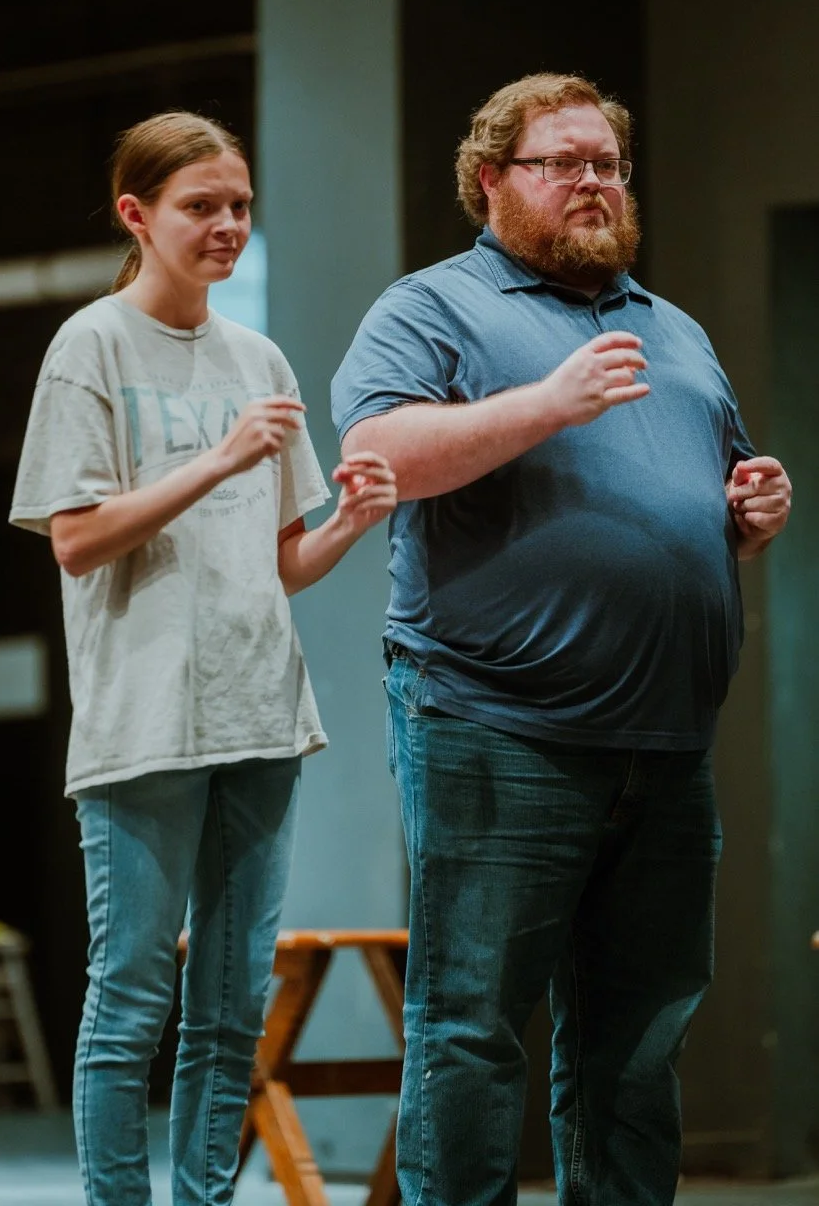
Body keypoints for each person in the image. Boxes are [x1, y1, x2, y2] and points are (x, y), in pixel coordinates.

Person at [330, 72, 791, 1206]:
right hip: (497, 727)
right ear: (491, 179)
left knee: (639, 1038)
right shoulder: (432, 307)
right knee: (472, 1027)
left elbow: (696, 493)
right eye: (563, 163)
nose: (593, 181)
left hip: (665, 740)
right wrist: (546, 401)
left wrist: (745, 516)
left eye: (608, 164)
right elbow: (378, 457)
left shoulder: (671, 328)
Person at [8, 110, 396, 1206]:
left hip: (259, 714)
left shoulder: (256, 356)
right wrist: (219, 459)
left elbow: (278, 562)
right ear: (136, 215)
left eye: (240, 206)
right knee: (131, 1000)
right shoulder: (91, 345)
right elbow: (76, 538)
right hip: (143, 724)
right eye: (201, 207)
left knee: (231, 1009)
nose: (227, 224)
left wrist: (351, 520)